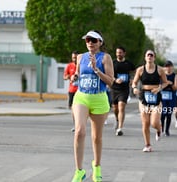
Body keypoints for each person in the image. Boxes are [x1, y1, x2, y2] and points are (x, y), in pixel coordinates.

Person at [71, 30, 114, 182]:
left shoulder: (105, 58)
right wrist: (74, 76)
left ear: (100, 43)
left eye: (93, 40)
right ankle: (79, 171)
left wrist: (96, 70)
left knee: (96, 137)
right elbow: (77, 73)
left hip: (99, 98)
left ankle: (96, 167)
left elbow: (110, 81)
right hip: (81, 97)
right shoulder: (81, 57)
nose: (90, 42)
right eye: (88, 39)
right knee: (79, 131)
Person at [131, 50, 168, 152]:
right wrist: (134, 88)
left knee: (154, 122)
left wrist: (159, 88)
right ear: (145, 57)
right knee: (145, 123)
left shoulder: (160, 70)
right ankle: (147, 145)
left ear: (154, 58)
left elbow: (165, 83)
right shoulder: (140, 70)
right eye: (148, 55)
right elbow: (134, 82)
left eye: (152, 55)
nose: (150, 57)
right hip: (144, 97)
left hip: (156, 97)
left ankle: (159, 129)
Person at [111, 46, 135, 136]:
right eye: (117, 52)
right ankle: (117, 119)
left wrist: (133, 79)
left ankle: (120, 128)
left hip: (124, 89)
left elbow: (135, 71)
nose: (118, 54)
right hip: (114, 88)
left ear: (124, 53)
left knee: (121, 106)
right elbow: (109, 74)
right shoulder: (113, 63)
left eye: (120, 52)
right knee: (115, 108)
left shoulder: (128, 63)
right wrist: (115, 79)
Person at [160, 60, 177, 136]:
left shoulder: (175, 76)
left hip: (171, 97)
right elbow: (159, 87)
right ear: (164, 68)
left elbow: (176, 88)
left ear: (172, 67)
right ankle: (162, 129)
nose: (168, 68)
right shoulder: (161, 75)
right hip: (163, 97)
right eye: (166, 67)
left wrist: (171, 84)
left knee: (169, 114)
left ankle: (167, 130)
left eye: (170, 66)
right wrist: (164, 84)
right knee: (163, 114)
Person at [63, 51, 79, 132]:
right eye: (73, 58)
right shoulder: (69, 66)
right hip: (72, 89)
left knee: (79, 108)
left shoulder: (82, 65)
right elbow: (64, 77)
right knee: (73, 108)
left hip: (81, 90)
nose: (74, 59)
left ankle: (79, 124)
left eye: (76, 57)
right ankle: (75, 125)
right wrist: (69, 76)